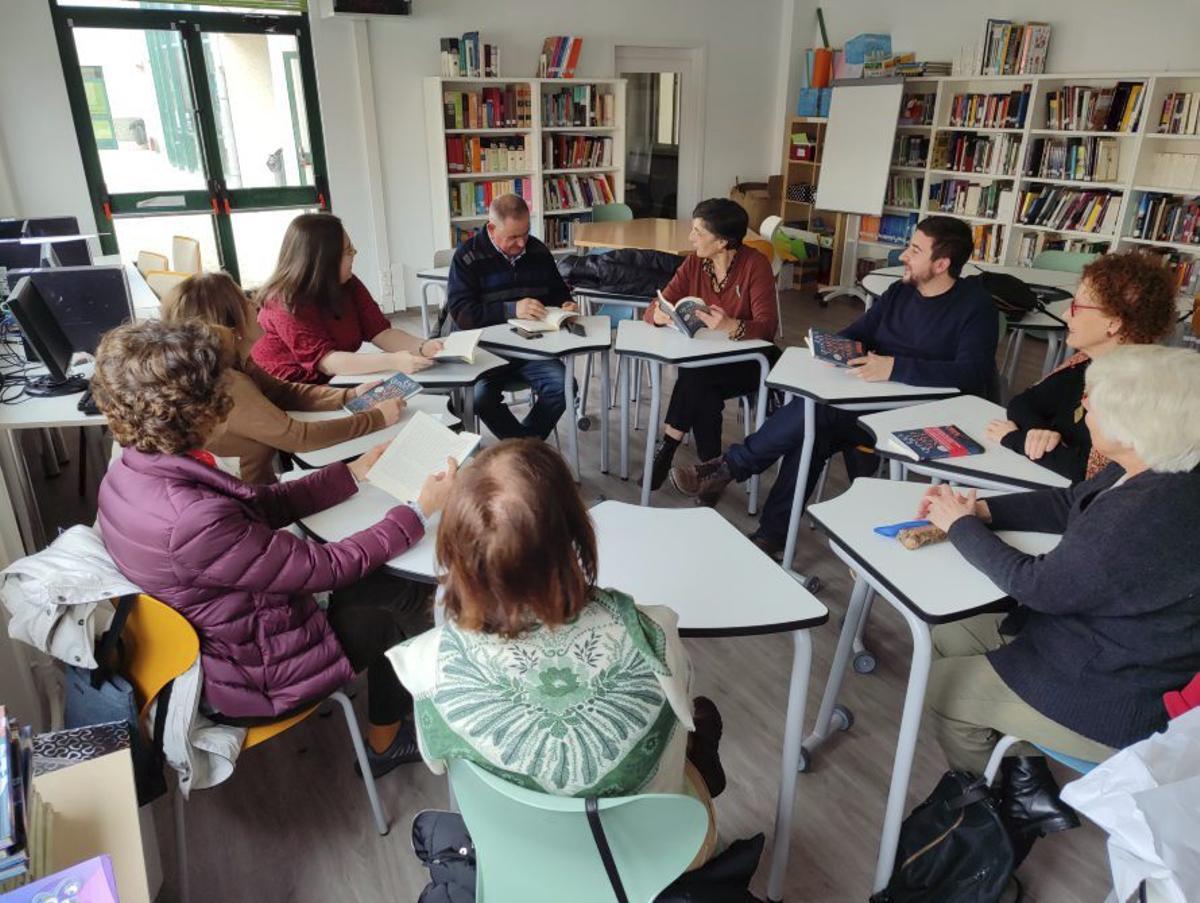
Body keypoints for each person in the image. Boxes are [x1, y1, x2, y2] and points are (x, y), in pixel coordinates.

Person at [93, 319, 458, 777]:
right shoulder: (191, 518)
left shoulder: (133, 468)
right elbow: (324, 566)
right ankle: (396, 735)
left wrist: (352, 472)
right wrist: (418, 511)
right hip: (253, 677)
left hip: (230, 640)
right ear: (199, 412)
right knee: (405, 599)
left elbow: (257, 506)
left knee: (382, 582)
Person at [920, 344, 1200, 861]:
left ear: (1135, 422)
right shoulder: (1153, 467)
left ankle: (998, 818)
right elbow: (1070, 502)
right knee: (945, 634)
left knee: (940, 689)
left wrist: (958, 527)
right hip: (1098, 643)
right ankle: (1026, 778)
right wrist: (980, 509)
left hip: (1115, 687)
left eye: (1096, 401)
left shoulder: (1147, 515)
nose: (1085, 406)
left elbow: (1037, 585)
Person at [388, 439, 725, 862]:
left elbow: (439, 765)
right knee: (697, 724)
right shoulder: (653, 632)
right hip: (646, 864)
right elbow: (680, 720)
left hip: (519, 859)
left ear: (453, 547)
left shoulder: (424, 666)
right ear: (577, 531)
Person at [672, 215, 999, 558]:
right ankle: (769, 537)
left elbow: (971, 373)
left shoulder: (976, 308)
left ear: (941, 264)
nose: (903, 255)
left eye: (915, 250)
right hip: (869, 400)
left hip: (920, 415)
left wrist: (894, 367)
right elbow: (860, 331)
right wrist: (830, 347)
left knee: (817, 414)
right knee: (811, 432)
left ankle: (730, 470)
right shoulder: (900, 292)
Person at [162, 271, 404, 484]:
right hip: (253, 508)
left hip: (260, 493)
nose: (254, 303)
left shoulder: (232, 363)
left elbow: (282, 392)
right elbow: (298, 437)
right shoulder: (229, 385)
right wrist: (376, 418)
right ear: (231, 327)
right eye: (244, 300)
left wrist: (349, 396)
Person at [985, 252, 1176, 481]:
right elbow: (1024, 403)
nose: (1066, 314)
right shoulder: (1085, 360)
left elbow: (1090, 473)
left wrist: (1015, 439)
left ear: (1113, 323)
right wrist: (1041, 435)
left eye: (1077, 307)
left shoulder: (1132, 389)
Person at [642, 198, 780, 490]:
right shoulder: (695, 262)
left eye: (698, 232)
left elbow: (768, 328)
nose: (691, 238)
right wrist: (659, 314)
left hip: (751, 360)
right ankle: (710, 473)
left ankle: (667, 449)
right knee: (701, 382)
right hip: (709, 358)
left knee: (696, 376)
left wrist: (731, 325)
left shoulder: (756, 265)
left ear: (722, 242)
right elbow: (658, 303)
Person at [443, 194, 576, 440]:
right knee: (481, 398)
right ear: (491, 229)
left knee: (564, 387)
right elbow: (462, 313)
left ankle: (524, 445)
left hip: (533, 347)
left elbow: (558, 291)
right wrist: (511, 310)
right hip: (487, 353)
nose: (522, 243)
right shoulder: (467, 257)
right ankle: (526, 448)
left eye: (525, 233)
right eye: (512, 237)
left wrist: (565, 304)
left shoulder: (537, 250)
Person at [252, 212, 442, 384]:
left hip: (334, 380)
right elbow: (327, 362)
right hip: (288, 389)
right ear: (323, 260)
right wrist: (394, 361)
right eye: (348, 251)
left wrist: (423, 346)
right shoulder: (283, 302)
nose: (355, 255)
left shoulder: (347, 283)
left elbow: (382, 333)